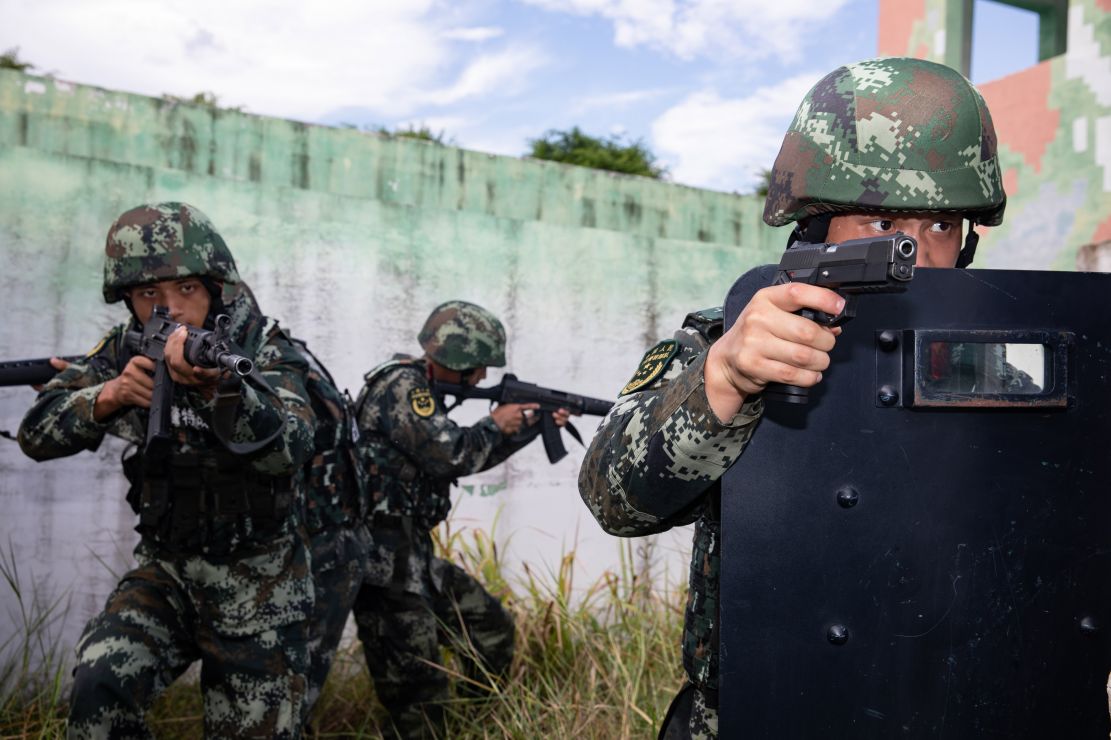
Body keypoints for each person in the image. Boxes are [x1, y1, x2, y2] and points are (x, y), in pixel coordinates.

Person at [577, 57, 1007, 740]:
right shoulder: (722, 347)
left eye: (943, 226)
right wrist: (723, 382)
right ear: (813, 230)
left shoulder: (995, 371)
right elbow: (613, 500)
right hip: (761, 703)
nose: (918, 255)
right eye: (879, 222)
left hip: (951, 705)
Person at [19, 202, 318, 739]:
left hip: (261, 587)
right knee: (98, 685)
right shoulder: (123, 349)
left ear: (216, 286)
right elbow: (35, 434)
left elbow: (289, 445)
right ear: (128, 299)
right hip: (168, 572)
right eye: (148, 294)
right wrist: (105, 398)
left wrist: (219, 391)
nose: (170, 309)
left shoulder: (266, 350)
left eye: (186, 289)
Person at [351, 300, 570, 738]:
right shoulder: (403, 386)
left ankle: (476, 723)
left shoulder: (422, 386)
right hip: (380, 561)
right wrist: (496, 423)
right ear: (455, 359)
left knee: (491, 629)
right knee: (418, 688)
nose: (482, 378)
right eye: (477, 367)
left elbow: (455, 456)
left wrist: (526, 428)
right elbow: (451, 453)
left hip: (411, 554)